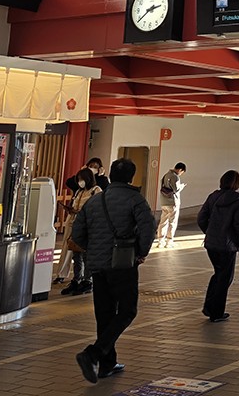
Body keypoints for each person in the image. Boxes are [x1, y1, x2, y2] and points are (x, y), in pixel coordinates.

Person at [71, 158, 156, 384]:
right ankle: (93, 354)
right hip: (123, 264)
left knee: (104, 314)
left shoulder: (95, 200)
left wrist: (93, 249)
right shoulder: (135, 199)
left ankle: (107, 364)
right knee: (127, 311)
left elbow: (77, 232)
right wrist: (141, 252)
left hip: (97, 265)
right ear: (131, 177)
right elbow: (148, 227)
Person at [197, 170, 239, 321]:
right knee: (225, 278)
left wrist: (209, 232)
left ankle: (209, 307)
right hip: (227, 246)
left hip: (211, 244)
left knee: (218, 274)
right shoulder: (238, 199)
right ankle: (216, 313)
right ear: (237, 183)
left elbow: (201, 218)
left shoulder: (213, 196)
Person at [58, 167, 102, 295]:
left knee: (87, 254)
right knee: (76, 253)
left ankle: (87, 281)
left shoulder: (96, 190)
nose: (80, 182)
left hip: (88, 226)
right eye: (78, 179)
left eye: (82, 179)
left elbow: (98, 209)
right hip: (75, 224)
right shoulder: (79, 191)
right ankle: (76, 279)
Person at [156, 162, 187, 248]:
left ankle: (160, 241)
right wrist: (182, 186)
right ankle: (169, 241)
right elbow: (176, 189)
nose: (180, 174)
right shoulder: (175, 177)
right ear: (180, 170)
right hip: (172, 202)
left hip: (164, 202)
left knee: (163, 222)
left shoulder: (166, 175)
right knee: (172, 222)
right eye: (182, 172)